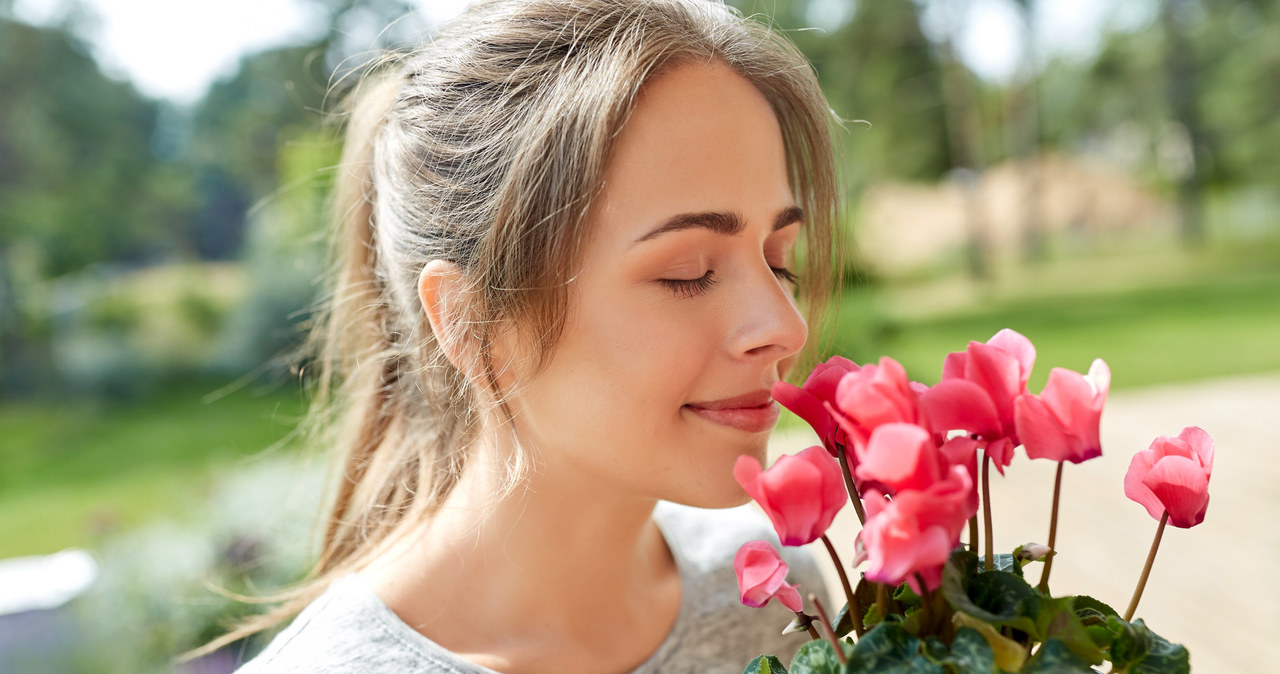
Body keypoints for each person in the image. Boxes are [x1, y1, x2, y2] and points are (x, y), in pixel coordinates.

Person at [207, 0, 844, 671]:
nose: (785, 326)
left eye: (779, 261)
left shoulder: (773, 597)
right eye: (688, 273)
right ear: (471, 321)